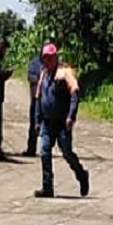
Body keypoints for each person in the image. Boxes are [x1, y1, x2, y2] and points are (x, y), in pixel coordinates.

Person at [35, 44, 89, 198]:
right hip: (47, 122)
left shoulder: (64, 72)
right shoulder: (44, 74)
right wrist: (37, 120)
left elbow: (75, 94)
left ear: (56, 57)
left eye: (50, 57)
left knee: (67, 152)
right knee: (45, 151)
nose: (47, 60)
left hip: (62, 122)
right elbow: (38, 97)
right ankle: (47, 187)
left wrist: (71, 116)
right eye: (45, 58)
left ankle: (81, 174)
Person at [22, 46, 47, 156]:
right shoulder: (34, 63)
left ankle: (46, 149)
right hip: (36, 99)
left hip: (47, 100)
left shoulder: (51, 63)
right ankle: (31, 149)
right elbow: (30, 77)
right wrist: (40, 80)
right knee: (34, 124)